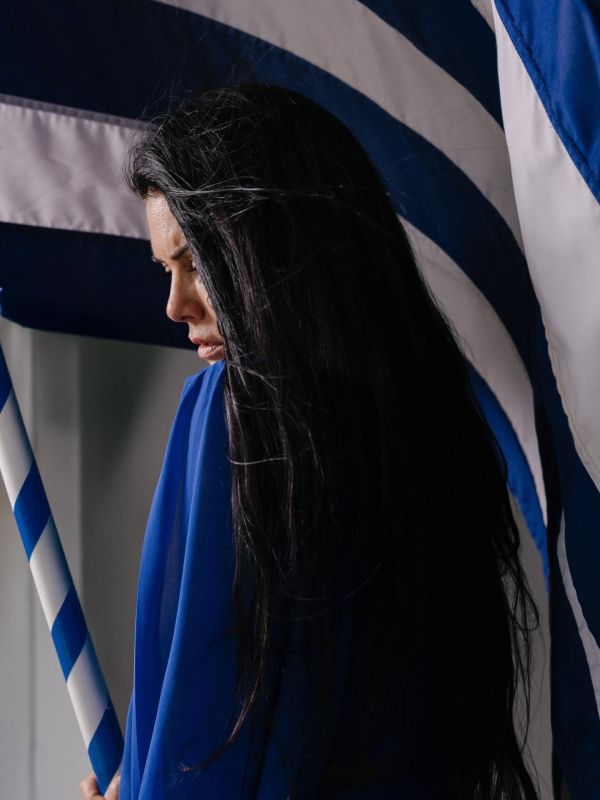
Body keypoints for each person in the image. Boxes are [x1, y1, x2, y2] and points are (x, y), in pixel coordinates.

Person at [81, 83, 540, 799]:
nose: (174, 305)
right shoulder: (429, 426)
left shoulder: (232, 409)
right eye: (166, 270)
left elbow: (201, 749)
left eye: (197, 261)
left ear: (271, 248)